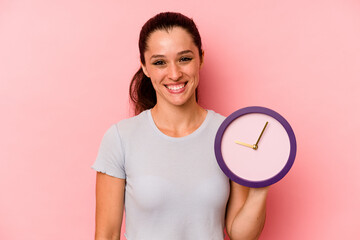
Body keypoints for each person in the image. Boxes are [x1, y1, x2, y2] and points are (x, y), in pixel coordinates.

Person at [91, 12, 269, 240]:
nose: (174, 74)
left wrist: (262, 184)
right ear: (144, 67)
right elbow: (106, 235)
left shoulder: (228, 134)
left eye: (184, 59)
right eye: (159, 62)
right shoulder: (120, 138)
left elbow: (241, 235)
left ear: (201, 58)